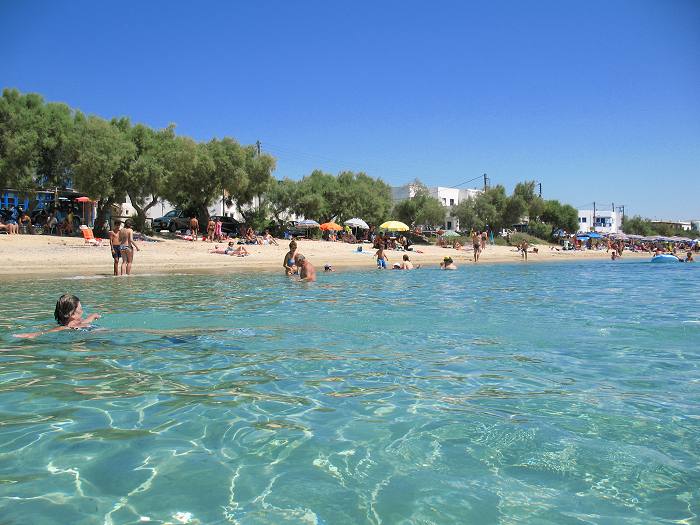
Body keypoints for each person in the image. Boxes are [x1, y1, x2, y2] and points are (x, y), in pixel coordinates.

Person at [14, 294, 101, 339]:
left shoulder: (74, 323)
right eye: (80, 309)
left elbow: (80, 322)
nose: (82, 311)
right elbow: (48, 331)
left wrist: (92, 317)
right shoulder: (67, 328)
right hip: (84, 337)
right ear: (72, 314)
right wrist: (33, 334)